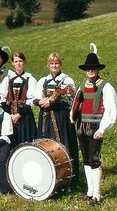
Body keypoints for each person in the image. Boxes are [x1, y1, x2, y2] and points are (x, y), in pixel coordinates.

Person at [71, 51, 116, 206]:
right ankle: (90, 192)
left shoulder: (106, 86)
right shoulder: (82, 86)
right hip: (82, 128)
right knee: (86, 160)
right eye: (88, 68)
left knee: (95, 160)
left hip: (96, 128)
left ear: (98, 69)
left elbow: (111, 110)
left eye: (93, 68)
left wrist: (102, 129)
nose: (90, 70)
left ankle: (97, 194)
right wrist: (73, 118)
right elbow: (76, 106)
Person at [34, 53, 79, 181]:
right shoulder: (43, 80)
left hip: (61, 117)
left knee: (64, 143)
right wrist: (40, 102)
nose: (54, 65)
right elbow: (34, 98)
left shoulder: (67, 80)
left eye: (56, 63)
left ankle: (68, 177)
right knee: (47, 145)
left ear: (60, 64)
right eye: (52, 63)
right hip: (46, 118)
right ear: (48, 65)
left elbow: (70, 99)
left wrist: (52, 102)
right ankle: (49, 177)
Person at [0, 52, 37, 147]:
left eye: (20, 61)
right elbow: (1, 97)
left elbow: (32, 100)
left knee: (26, 142)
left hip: (25, 115)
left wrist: (19, 114)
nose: (18, 63)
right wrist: (9, 114)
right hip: (10, 114)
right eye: (16, 61)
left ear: (24, 62)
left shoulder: (30, 79)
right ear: (12, 63)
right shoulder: (8, 79)